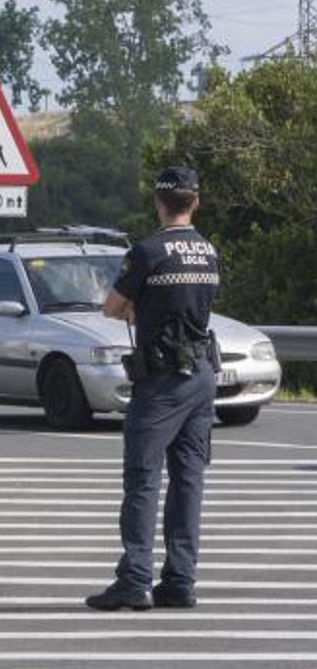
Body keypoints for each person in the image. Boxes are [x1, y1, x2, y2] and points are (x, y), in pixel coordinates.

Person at [85, 167, 220, 611]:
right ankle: (180, 581)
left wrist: (138, 310)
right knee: (188, 481)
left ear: (159, 203)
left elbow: (112, 307)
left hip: (161, 380)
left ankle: (135, 580)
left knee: (143, 479)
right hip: (201, 375)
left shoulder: (147, 251)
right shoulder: (208, 251)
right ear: (194, 202)